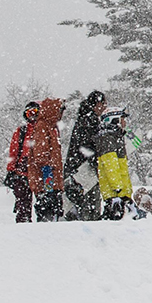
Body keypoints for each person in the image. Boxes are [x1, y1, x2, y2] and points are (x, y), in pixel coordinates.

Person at [64, 89, 107, 220]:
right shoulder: (89, 121)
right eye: (103, 103)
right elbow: (88, 147)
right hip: (83, 172)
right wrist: (98, 163)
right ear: (96, 104)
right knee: (88, 208)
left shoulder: (85, 119)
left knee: (83, 206)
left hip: (77, 171)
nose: (105, 107)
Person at [25, 98, 67, 222]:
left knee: (53, 210)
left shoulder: (51, 127)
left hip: (51, 180)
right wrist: (49, 184)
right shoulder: (43, 126)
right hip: (47, 180)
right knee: (48, 212)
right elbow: (41, 157)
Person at [4, 100, 40, 223]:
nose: (32, 115)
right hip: (22, 172)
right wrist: (11, 170)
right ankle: (23, 225)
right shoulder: (21, 131)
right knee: (23, 202)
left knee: (43, 202)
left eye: (35, 112)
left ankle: (45, 225)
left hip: (40, 172)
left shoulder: (44, 130)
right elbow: (13, 152)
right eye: (30, 113)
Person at [96, 106, 134, 220]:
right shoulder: (107, 138)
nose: (124, 122)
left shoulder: (116, 137)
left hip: (121, 194)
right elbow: (110, 165)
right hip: (115, 194)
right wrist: (117, 188)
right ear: (114, 120)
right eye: (122, 119)